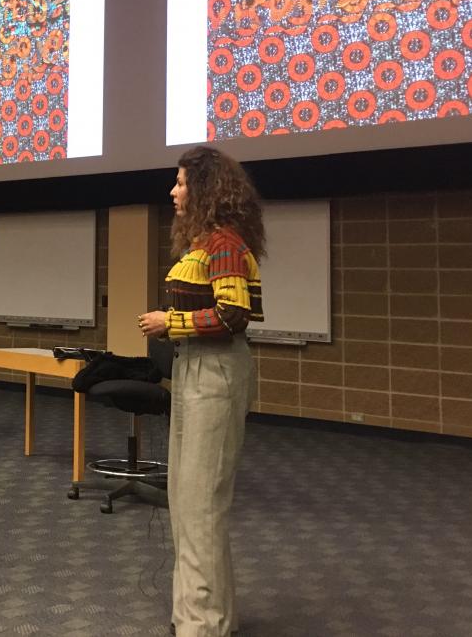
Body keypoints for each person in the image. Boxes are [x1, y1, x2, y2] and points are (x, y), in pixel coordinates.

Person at [138, 147, 264, 637]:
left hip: (215, 374)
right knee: (186, 500)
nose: (173, 191)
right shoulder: (203, 243)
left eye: (182, 182)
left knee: (202, 502)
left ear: (206, 190)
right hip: (192, 371)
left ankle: (204, 625)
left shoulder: (226, 244)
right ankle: (203, 617)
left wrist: (172, 321)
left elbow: (234, 316)